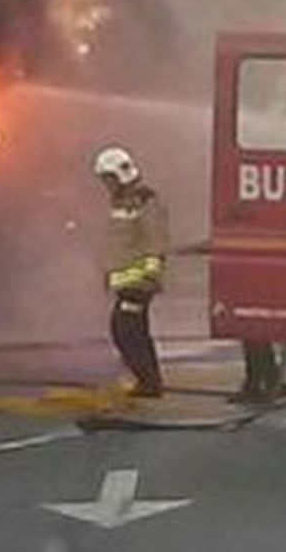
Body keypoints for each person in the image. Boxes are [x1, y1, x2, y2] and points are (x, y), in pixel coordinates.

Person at [93, 145, 168, 398]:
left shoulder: (144, 199)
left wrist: (149, 274)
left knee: (124, 330)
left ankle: (148, 382)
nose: (106, 185)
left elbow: (155, 239)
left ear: (119, 175)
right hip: (128, 280)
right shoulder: (123, 201)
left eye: (108, 179)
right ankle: (149, 382)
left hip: (138, 283)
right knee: (134, 331)